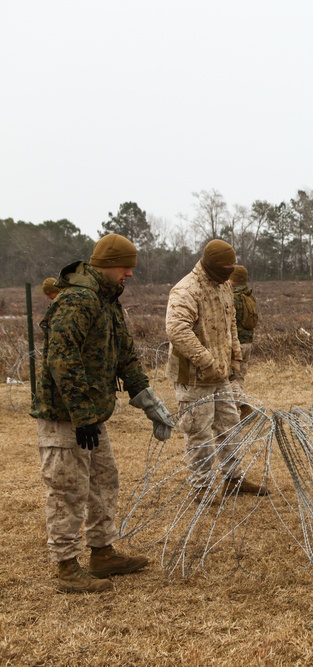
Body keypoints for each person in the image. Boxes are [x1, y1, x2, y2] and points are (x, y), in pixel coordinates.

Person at [30, 233, 174, 593]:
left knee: (103, 481)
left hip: (91, 416)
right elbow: (62, 359)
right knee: (67, 490)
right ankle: (66, 566)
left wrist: (147, 399)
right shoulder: (78, 300)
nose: (129, 274)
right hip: (66, 416)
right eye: (126, 267)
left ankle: (102, 553)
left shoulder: (106, 300)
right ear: (108, 266)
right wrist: (81, 415)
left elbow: (124, 352)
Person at [166, 240, 265, 496]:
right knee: (198, 431)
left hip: (221, 373)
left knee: (229, 425)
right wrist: (206, 361)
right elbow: (177, 330)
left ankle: (233, 480)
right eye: (225, 267)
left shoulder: (223, 287)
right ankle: (202, 487)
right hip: (193, 376)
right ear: (211, 265)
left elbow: (230, 321)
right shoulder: (186, 289)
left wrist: (235, 357)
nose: (229, 272)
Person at [229, 265, 258, 420]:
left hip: (236, 344)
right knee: (239, 379)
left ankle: (245, 407)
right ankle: (236, 412)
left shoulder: (232, 298)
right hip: (247, 343)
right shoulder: (249, 296)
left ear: (232, 279)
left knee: (229, 379)